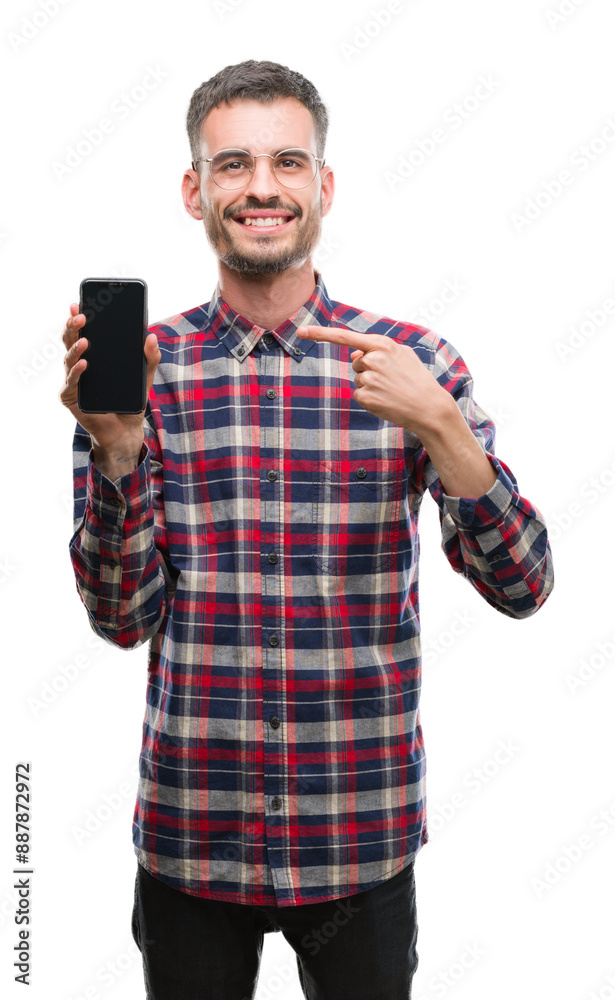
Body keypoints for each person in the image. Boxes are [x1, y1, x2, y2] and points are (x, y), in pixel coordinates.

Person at [60, 59, 554, 1000]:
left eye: (288, 162)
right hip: (190, 838)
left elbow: (524, 587)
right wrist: (117, 450)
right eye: (233, 164)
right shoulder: (140, 374)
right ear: (194, 190)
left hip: (359, 834)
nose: (260, 187)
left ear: (321, 188)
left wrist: (443, 429)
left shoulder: (411, 365)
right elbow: (121, 619)